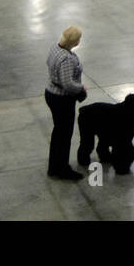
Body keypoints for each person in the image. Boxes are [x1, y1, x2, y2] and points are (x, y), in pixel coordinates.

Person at [45, 26, 87, 180]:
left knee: (59, 132)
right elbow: (68, 84)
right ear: (74, 41)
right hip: (62, 99)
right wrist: (81, 88)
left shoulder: (55, 48)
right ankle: (62, 168)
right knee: (64, 134)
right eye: (78, 38)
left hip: (51, 92)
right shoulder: (67, 59)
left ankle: (54, 166)